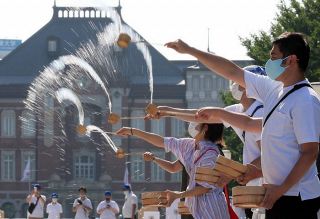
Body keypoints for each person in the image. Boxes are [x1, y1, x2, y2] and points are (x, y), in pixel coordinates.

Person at [165, 32, 320, 219]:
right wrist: (191, 51)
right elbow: (232, 72)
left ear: (291, 60)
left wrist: (280, 190)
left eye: (273, 57)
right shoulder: (275, 90)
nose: (268, 62)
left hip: (296, 198)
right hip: (275, 195)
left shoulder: (305, 100)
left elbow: (310, 152)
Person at [116, 124, 230, 219]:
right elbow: (162, 142)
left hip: (212, 209)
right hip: (196, 207)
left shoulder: (210, 154)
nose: (195, 127)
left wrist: (178, 195)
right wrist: (133, 131)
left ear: (205, 128)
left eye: (198, 123)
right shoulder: (190, 146)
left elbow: (206, 187)